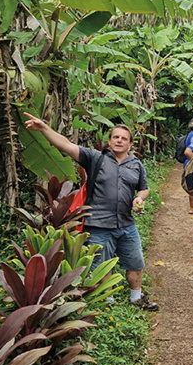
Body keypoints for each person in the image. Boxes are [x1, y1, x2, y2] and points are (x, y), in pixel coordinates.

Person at [23, 112, 159, 311]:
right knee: (100, 266)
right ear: (109, 141)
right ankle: (106, 304)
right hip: (98, 225)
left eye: (124, 138)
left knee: (136, 262)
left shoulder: (136, 165)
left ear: (130, 144)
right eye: (115, 137)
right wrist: (44, 128)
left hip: (127, 224)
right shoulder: (96, 158)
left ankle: (136, 299)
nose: (119, 141)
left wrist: (140, 198)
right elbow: (66, 145)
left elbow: (144, 188)